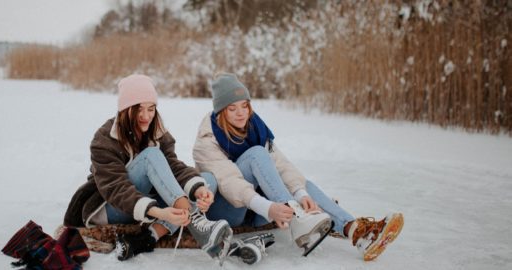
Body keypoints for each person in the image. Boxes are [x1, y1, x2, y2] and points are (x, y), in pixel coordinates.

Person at [193, 73, 404, 261]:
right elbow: (231, 183)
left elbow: (281, 165)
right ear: (221, 111)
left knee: (303, 186)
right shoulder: (207, 139)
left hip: (259, 211)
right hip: (229, 210)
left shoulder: (255, 127)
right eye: (232, 108)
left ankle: (356, 232)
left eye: (245, 105)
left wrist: (301, 193)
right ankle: (297, 220)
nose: (241, 113)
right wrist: (270, 208)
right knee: (257, 154)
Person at [63, 74, 232, 261]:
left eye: (151, 109)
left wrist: (199, 190)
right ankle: (197, 221)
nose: (146, 116)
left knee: (207, 181)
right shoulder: (104, 139)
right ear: (125, 109)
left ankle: (148, 237)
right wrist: (159, 212)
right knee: (151, 155)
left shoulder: (157, 131)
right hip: (111, 206)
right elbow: (117, 189)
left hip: (146, 202)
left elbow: (173, 167)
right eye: (138, 110)